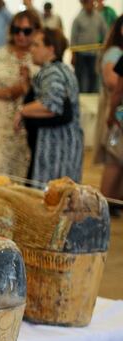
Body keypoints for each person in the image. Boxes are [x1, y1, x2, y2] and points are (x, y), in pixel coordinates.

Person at [16, 28, 83, 186]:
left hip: (55, 149)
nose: (31, 49)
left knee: (50, 199)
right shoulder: (62, 69)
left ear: (50, 49)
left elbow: (52, 105)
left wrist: (21, 111)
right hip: (64, 145)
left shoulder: (52, 72)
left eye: (36, 45)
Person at [0, 10, 40, 178]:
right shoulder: (0, 54)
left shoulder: (39, 56)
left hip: (29, 130)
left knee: (25, 180)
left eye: (26, 31)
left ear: (36, 31)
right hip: (1, 128)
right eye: (16, 30)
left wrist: (27, 85)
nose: (21, 35)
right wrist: (8, 92)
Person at [95, 15, 123, 212]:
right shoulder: (115, 53)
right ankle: (107, 205)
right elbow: (114, 83)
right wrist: (112, 114)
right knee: (114, 162)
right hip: (119, 119)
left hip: (118, 117)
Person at [71, 0, 107, 93]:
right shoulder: (78, 18)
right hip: (80, 53)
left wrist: (104, 48)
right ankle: (79, 94)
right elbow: (73, 37)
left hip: (94, 53)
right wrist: (73, 54)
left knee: (93, 75)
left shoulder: (99, 17)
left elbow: (105, 33)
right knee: (80, 76)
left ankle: (91, 94)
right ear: (83, 4)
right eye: (87, 3)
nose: (90, 5)